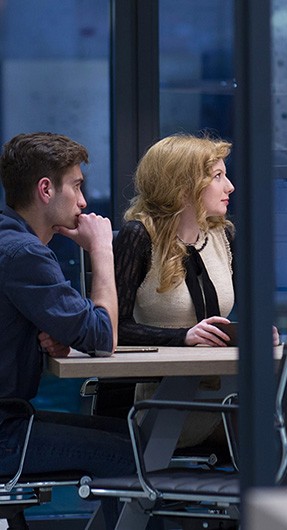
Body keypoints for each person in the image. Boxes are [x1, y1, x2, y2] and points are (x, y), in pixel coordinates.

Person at [0, 132, 135, 526]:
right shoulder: (24, 254)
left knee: (122, 436)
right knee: (135, 454)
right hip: (7, 434)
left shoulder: (11, 243)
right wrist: (102, 251)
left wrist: (43, 337)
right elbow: (101, 337)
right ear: (46, 189)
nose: (83, 202)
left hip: (12, 421)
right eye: (76, 186)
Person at [114, 134, 279, 449]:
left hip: (223, 394)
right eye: (218, 177)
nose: (229, 186)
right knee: (275, 438)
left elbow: (246, 313)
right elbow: (113, 328)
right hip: (162, 404)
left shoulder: (222, 235)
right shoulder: (138, 237)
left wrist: (256, 333)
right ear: (183, 187)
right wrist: (183, 337)